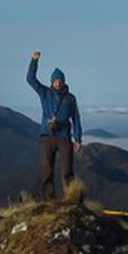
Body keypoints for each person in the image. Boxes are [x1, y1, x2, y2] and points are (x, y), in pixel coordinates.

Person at [26, 50, 82, 201]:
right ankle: (50, 200)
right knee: (46, 170)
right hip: (47, 136)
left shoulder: (70, 98)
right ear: (52, 82)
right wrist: (34, 61)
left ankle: (73, 198)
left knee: (67, 171)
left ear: (64, 81)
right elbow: (30, 79)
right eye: (55, 81)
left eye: (59, 80)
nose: (57, 83)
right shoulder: (45, 93)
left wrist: (77, 139)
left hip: (64, 137)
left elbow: (76, 118)